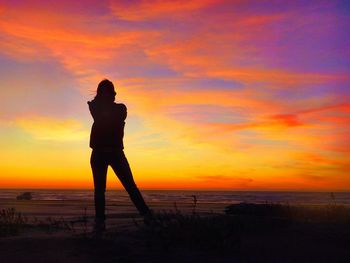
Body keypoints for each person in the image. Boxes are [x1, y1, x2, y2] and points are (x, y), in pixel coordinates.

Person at [88, 79, 151, 231]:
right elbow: (98, 114)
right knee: (99, 190)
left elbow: (113, 118)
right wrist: (101, 103)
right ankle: (100, 222)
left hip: (116, 153)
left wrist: (104, 105)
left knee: (130, 186)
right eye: (104, 92)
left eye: (109, 92)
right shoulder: (95, 107)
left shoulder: (120, 108)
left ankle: (147, 215)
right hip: (98, 154)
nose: (109, 95)